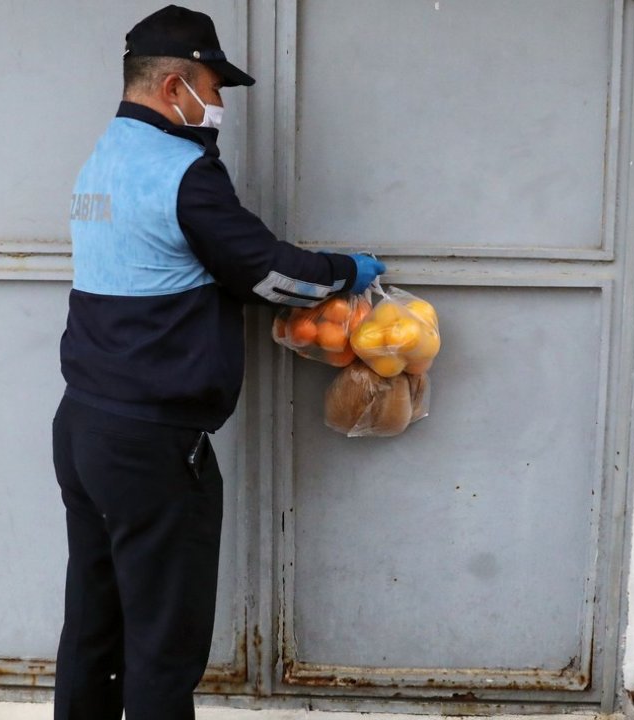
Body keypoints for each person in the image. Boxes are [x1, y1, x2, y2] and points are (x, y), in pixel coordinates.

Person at [52, 5, 386, 719]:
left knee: (94, 621)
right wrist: (347, 272)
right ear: (175, 86)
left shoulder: (102, 156)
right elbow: (266, 273)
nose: (221, 103)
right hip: (152, 446)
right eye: (215, 84)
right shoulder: (183, 171)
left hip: (84, 425)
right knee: (163, 647)